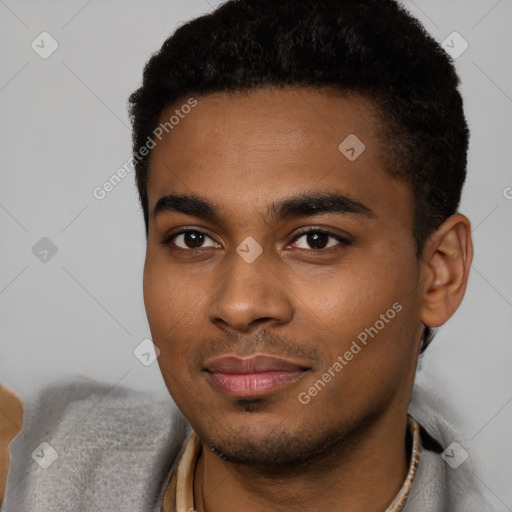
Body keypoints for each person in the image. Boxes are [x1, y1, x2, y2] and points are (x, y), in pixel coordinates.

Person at [0, 0, 493, 510]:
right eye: (193, 239)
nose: (239, 304)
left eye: (315, 240)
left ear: (439, 273)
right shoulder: (33, 466)